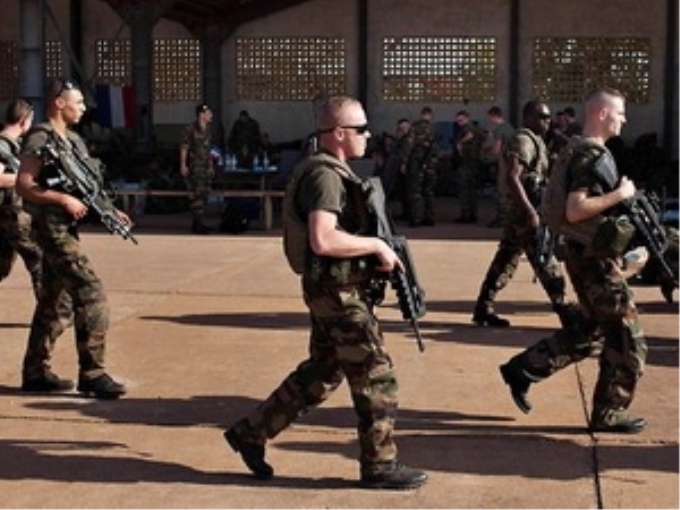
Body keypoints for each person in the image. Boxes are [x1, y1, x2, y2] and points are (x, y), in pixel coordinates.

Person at [224, 95, 428, 490]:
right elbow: (322, 238)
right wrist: (376, 247)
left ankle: (251, 433)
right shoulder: (326, 176)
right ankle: (380, 465)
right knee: (376, 374)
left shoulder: (333, 170)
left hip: (335, 290)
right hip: (338, 293)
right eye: (361, 129)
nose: (368, 136)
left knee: (322, 372)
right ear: (339, 133)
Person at [499, 88, 648, 433]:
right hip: (592, 258)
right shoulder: (590, 155)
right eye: (620, 112)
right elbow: (575, 208)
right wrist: (620, 195)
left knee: (590, 330)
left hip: (585, 254)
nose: (624, 119)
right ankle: (609, 412)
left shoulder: (582, 150)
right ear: (601, 114)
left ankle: (524, 368)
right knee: (628, 339)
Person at [16, 78, 128, 399]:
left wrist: (109, 210)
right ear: (59, 103)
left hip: (66, 228)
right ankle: (93, 373)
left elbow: (87, 186)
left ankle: (35, 372)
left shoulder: (74, 142)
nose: (82, 108)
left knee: (55, 301)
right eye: (77, 102)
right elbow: (25, 184)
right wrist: (61, 200)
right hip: (50, 230)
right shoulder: (41, 138)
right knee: (91, 292)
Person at [471, 100, 575, 328]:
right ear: (529, 117)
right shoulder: (524, 140)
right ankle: (566, 311)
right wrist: (530, 212)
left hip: (522, 213)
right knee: (547, 262)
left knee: (505, 260)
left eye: (549, 118)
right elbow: (512, 177)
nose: (548, 122)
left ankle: (483, 307)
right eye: (543, 117)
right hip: (524, 214)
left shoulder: (537, 141)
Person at [0, 99, 43, 297]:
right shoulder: (3, 145)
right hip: (10, 216)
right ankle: (52, 311)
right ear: (24, 120)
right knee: (39, 259)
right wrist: (24, 179)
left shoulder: (13, 146)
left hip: (10, 216)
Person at [180, 103, 215, 234]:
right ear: (201, 114)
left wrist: (211, 165)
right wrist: (183, 164)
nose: (211, 116)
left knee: (204, 193)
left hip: (205, 166)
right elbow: (184, 147)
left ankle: (198, 223)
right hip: (195, 166)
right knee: (197, 195)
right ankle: (198, 223)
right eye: (208, 113)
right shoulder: (190, 129)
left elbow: (208, 149)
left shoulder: (207, 130)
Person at [403, 107, 438, 227]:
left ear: (421, 114)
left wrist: (404, 161)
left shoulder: (415, 127)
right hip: (431, 165)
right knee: (429, 192)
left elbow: (409, 144)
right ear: (431, 115)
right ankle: (430, 218)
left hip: (416, 162)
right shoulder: (434, 129)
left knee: (415, 191)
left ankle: (416, 219)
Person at [483, 106, 516, 228]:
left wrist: (486, 152)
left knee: (502, 191)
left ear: (493, 116)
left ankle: (502, 219)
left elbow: (497, 149)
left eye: (489, 118)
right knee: (510, 191)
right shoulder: (510, 128)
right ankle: (510, 218)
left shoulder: (499, 130)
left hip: (503, 162)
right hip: (512, 162)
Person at [453, 110, 483, 223]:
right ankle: (472, 214)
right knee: (472, 191)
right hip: (474, 163)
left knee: (465, 191)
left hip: (466, 164)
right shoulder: (477, 129)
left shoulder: (467, 129)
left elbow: (469, 135)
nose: (459, 122)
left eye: (460, 120)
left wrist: (459, 143)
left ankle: (466, 216)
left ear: (467, 118)